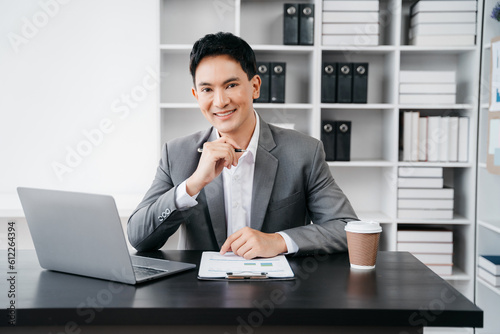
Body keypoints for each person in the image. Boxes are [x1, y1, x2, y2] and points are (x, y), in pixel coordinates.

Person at [127, 32, 358, 259]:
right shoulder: (176, 154)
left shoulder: (304, 152)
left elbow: (347, 229)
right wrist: (193, 184)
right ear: (196, 95)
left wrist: (278, 241)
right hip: (198, 293)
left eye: (231, 85)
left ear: (255, 86)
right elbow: (138, 237)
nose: (220, 101)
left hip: (278, 291)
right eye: (207, 89)